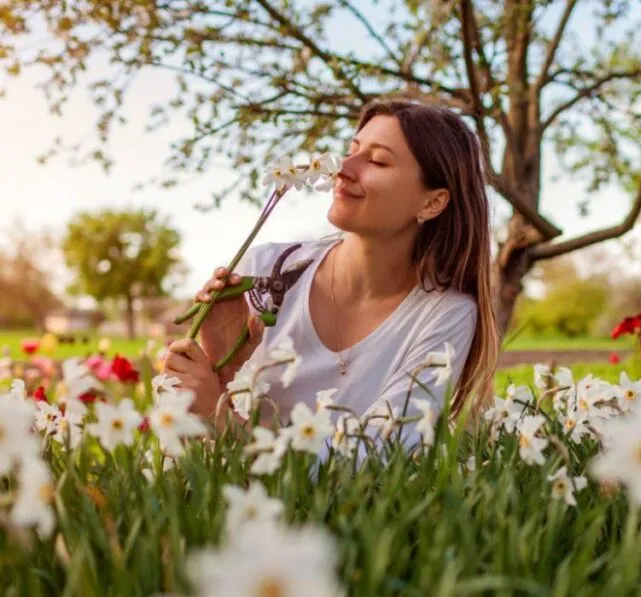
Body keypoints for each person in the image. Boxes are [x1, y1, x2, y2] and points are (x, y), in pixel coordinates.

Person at [162, 100, 499, 445]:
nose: (344, 168)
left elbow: (375, 459)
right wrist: (221, 370)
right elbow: (189, 456)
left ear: (431, 203)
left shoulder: (444, 316)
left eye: (378, 161)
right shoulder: (263, 272)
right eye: (351, 150)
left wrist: (216, 417)